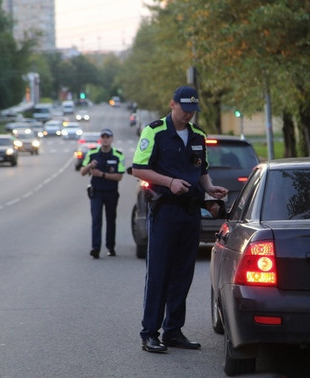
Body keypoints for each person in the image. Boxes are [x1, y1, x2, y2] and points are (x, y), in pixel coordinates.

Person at [132, 86, 228, 353]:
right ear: (172, 104)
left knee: (183, 274)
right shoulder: (155, 131)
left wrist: (210, 188)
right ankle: (150, 332)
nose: (189, 114)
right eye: (184, 109)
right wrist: (170, 182)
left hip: (190, 212)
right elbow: (138, 168)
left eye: (192, 111)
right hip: (165, 211)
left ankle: (173, 331)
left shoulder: (198, 135)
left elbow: (202, 169)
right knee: (159, 274)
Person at [80, 128, 125, 259]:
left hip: (111, 192)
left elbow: (119, 176)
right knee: (96, 220)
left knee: (111, 220)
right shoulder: (92, 153)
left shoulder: (118, 155)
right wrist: (89, 166)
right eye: (103, 137)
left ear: (112, 139)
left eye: (108, 137)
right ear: (100, 139)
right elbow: (82, 171)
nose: (105, 139)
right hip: (97, 192)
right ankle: (95, 248)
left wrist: (102, 174)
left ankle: (110, 247)